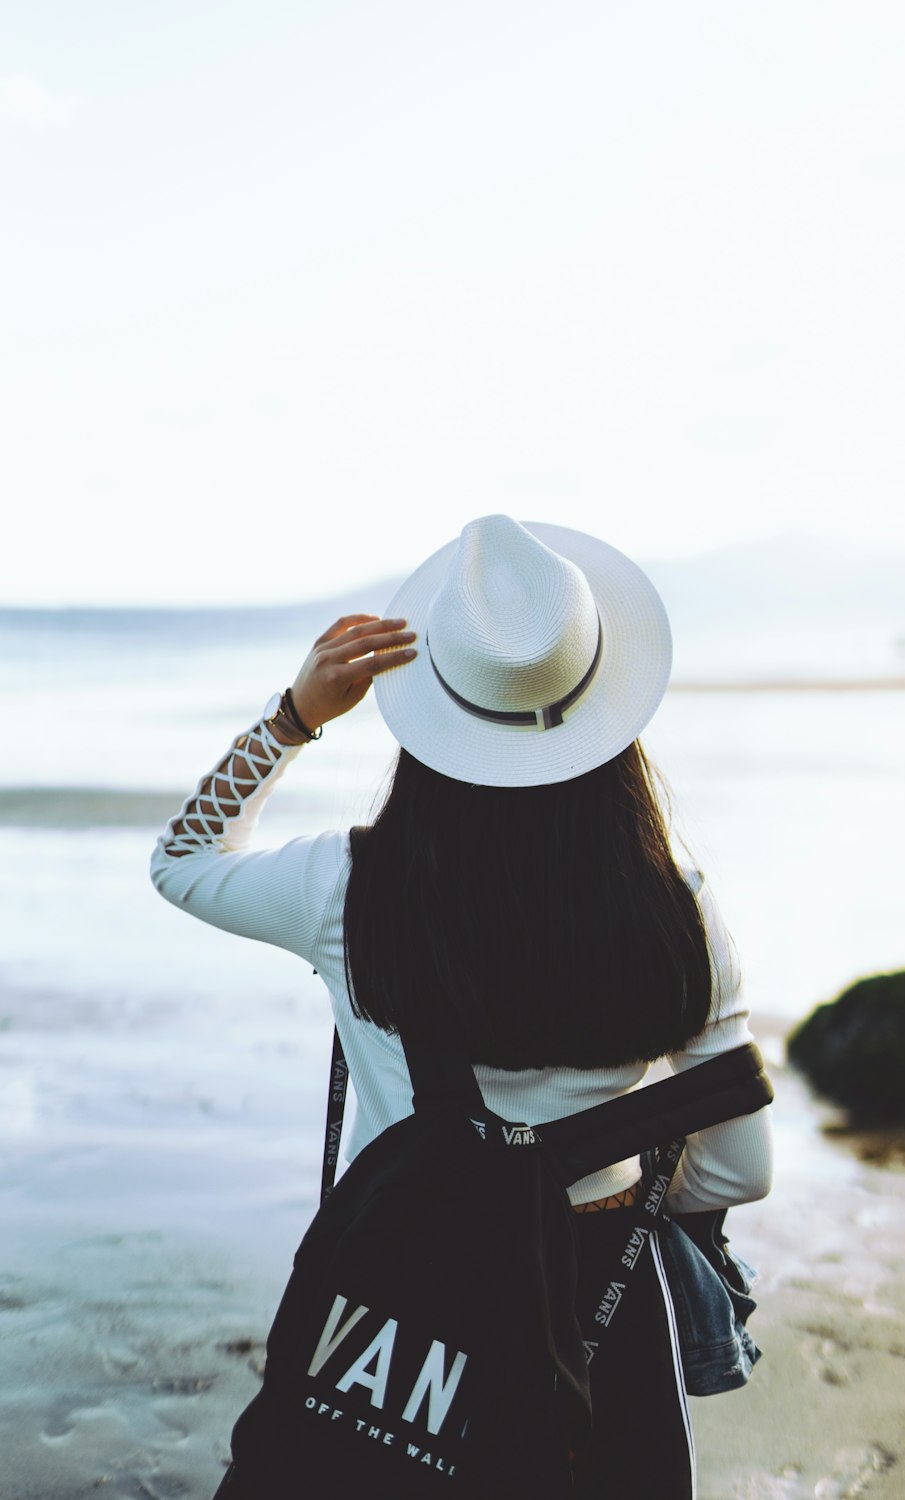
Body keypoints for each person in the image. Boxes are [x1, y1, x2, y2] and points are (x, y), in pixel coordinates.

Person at [150, 514, 773, 1497]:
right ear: (604, 701)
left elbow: (182, 859)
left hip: (403, 1282)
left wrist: (291, 720)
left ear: (428, 698)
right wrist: (591, 1195)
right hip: (596, 1300)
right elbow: (739, 1171)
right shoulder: (678, 906)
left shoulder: (343, 887)